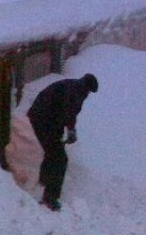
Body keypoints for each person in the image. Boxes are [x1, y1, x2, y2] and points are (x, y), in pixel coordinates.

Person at [27, 73, 99, 211]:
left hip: (41, 117)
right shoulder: (76, 91)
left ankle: (43, 180)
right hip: (43, 120)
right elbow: (69, 111)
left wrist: (66, 130)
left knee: (52, 151)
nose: (89, 94)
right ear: (87, 87)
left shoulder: (72, 85)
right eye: (90, 91)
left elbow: (62, 110)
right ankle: (50, 197)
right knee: (60, 158)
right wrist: (71, 131)